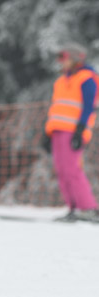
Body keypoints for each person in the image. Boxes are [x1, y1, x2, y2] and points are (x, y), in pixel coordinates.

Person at [43, 42, 99, 222]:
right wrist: (47, 131)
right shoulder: (61, 81)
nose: (60, 62)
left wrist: (80, 130)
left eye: (63, 58)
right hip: (57, 130)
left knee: (72, 169)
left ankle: (88, 208)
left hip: (73, 130)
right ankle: (73, 208)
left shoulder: (86, 78)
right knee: (61, 170)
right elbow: (57, 108)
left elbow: (89, 106)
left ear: (75, 59)